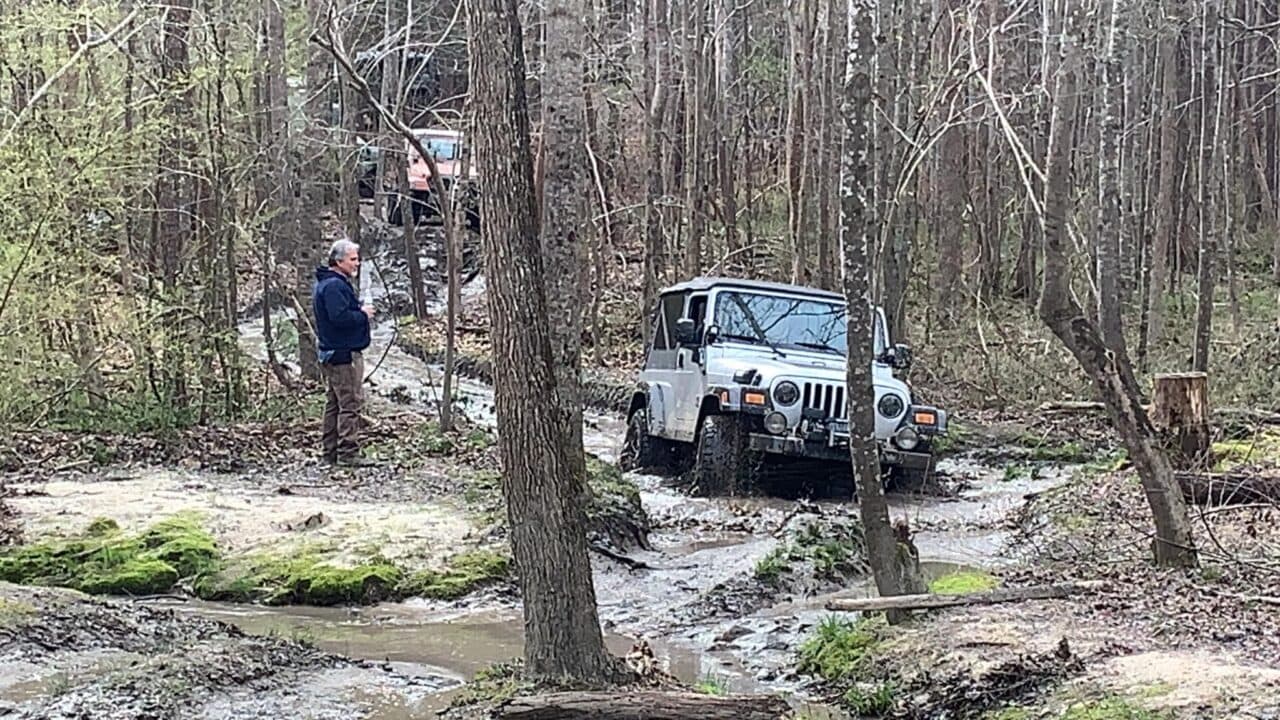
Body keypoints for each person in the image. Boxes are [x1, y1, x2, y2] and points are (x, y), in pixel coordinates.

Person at [313, 239, 375, 465]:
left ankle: (330, 451)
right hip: (342, 354)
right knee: (349, 403)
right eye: (353, 259)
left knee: (335, 403)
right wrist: (363, 314)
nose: (356, 263)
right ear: (338, 261)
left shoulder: (330, 283)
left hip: (334, 352)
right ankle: (348, 453)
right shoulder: (334, 286)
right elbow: (339, 318)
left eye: (357, 259)